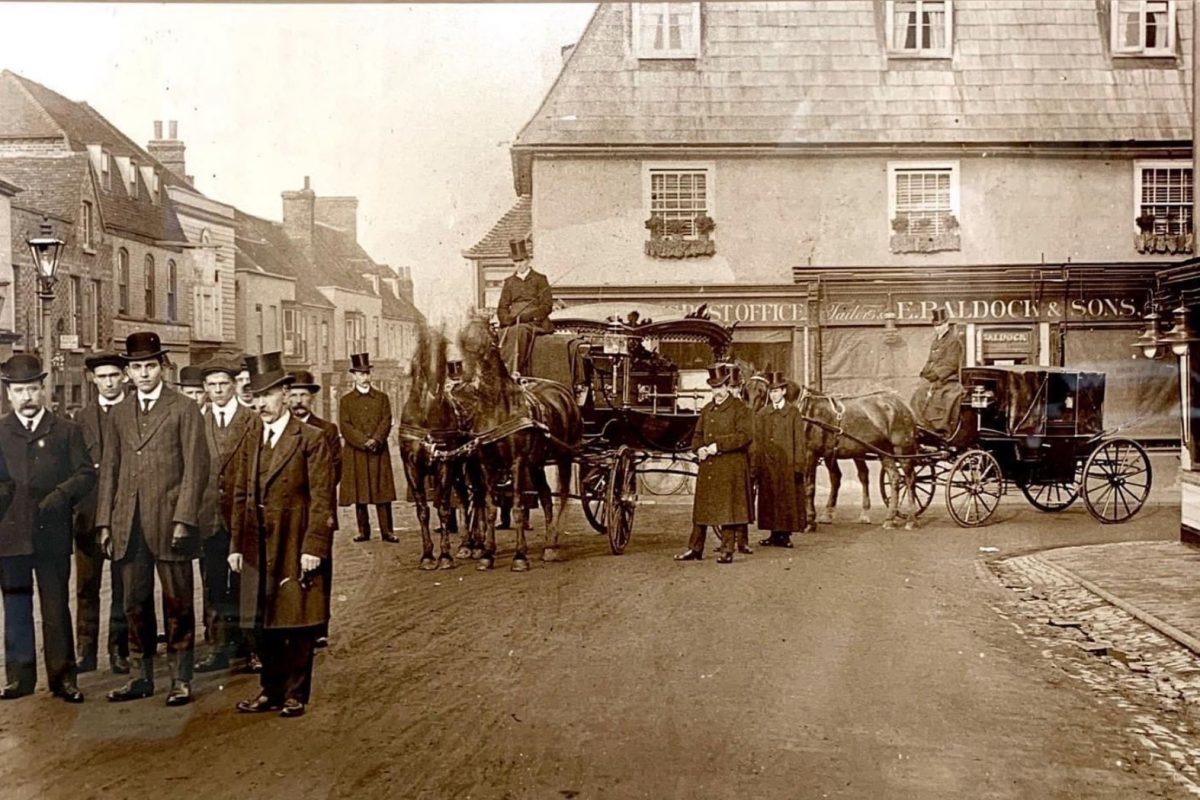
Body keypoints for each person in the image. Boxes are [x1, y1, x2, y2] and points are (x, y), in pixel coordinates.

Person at [96, 331, 210, 706]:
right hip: (129, 522)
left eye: (149, 366)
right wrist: (106, 523)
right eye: (136, 367)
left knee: (178, 603)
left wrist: (184, 519)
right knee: (134, 602)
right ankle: (140, 676)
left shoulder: (183, 408)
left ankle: (180, 679)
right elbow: (110, 469)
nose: (143, 373)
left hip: (170, 520)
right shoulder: (120, 413)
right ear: (128, 372)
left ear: (161, 366)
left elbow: (196, 468)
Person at [229, 352, 334, 718]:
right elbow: (242, 494)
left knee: (297, 619)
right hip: (257, 542)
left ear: (286, 394)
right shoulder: (251, 437)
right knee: (263, 620)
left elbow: (322, 499)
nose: (261, 404)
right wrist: (236, 546)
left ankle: (294, 694)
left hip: (295, 539)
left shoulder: (311, 439)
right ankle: (269, 690)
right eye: (255, 396)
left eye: (269, 395)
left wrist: (314, 547)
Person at [0, 354, 95, 702]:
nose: (26, 397)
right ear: (9, 394)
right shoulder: (0, 432)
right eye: (19, 390)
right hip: (9, 535)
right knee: (16, 608)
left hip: (51, 533)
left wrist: (62, 494)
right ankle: (19, 678)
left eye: (32, 389)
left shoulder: (66, 431)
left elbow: (86, 473)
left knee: (55, 607)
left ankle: (63, 678)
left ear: (43, 389)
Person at [194, 356, 260, 674]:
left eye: (223, 384)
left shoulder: (251, 420)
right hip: (209, 516)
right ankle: (218, 647)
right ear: (205, 389)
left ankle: (252, 648)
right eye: (212, 385)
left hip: (243, 514)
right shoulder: (196, 421)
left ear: (234, 386)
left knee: (247, 581)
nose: (218, 390)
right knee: (214, 583)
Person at [73, 351, 131, 676]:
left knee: (122, 585)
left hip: (124, 511)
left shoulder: (134, 413)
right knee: (86, 586)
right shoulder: (79, 419)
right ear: (93, 379)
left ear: (124, 377)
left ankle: (119, 650)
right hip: (88, 514)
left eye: (114, 375)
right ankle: (86, 651)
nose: (109, 382)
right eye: (102, 376)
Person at [675, 364, 754, 564]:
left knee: (727, 509)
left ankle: (727, 549)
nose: (716, 392)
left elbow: (745, 436)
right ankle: (695, 548)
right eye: (713, 388)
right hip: (709, 466)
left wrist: (718, 446)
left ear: (728, 386)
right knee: (702, 509)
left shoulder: (739, 409)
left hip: (730, 465)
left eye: (719, 387)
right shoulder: (707, 409)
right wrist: (698, 448)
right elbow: (698, 435)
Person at [288, 370, 341, 648]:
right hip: (289, 510)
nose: (298, 401)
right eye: (294, 395)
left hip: (318, 509)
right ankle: (297, 622)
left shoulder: (327, 429)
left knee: (320, 568)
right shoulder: (281, 429)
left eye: (303, 396)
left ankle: (319, 625)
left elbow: (334, 472)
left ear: (312, 399)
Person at [339, 353, 398, 543]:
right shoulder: (346, 400)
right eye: (360, 374)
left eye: (366, 373)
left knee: (382, 492)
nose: (364, 377)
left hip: (378, 451)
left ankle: (387, 531)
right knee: (360, 493)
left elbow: (386, 420)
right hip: (357, 452)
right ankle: (363, 531)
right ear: (354, 376)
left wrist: (376, 440)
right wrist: (363, 441)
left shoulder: (382, 398)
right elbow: (345, 425)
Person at [753, 371, 806, 549]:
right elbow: (758, 441)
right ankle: (773, 534)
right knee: (769, 498)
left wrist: (799, 464)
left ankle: (784, 535)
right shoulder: (763, 413)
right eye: (771, 391)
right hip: (768, 464)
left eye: (777, 391)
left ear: (783, 391)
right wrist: (757, 464)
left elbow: (799, 440)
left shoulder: (792, 413)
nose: (773, 394)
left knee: (785, 498)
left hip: (787, 463)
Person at [496, 237, 553, 377]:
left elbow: (547, 306)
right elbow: (502, 307)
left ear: (528, 260)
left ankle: (513, 371)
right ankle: (499, 371)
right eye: (516, 262)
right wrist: (505, 319)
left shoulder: (540, 279)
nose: (519, 265)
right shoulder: (509, 282)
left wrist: (528, 316)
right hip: (512, 322)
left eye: (521, 261)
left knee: (519, 331)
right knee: (501, 334)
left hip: (534, 322)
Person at [911, 309, 965, 436]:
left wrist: (936, 374)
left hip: (948, 380)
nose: (938, 328)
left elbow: (952, 363)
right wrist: (924, 371)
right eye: (936, 325)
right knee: (917, 394)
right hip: (934, 379)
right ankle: (921, 425)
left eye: (941, 325)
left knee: (942, 399)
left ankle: (940, 429)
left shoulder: (953, 341)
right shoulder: (936, 340)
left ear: (947, 324)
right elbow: (931, 360)